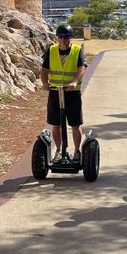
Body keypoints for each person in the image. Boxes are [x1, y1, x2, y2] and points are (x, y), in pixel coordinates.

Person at [40, 23, 86, 163]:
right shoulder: (51, 50)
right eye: (61, 37)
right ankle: (59, 151)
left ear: (70, 38)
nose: (64, 40)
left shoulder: (77, 50)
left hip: (72, 93)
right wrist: (44, 82)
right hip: (55, 91)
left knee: (75, 124)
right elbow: (44, 69)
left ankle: (77, 151)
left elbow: (81, 68)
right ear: (57, 38)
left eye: (66, 37)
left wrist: (74, 81)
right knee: (56, 123)